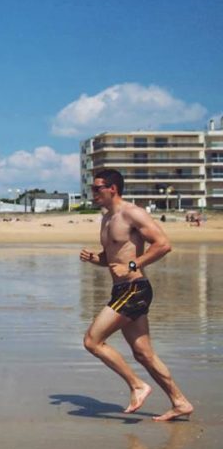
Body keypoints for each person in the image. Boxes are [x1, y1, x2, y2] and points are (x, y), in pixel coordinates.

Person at [79, 169, 193, 421]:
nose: (93, 193)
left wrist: (131, 266)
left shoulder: (132, 213)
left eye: (97, 188)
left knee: (92, 341)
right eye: (92, 189)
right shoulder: (107, 218)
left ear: (112, 188)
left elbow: (163, 244)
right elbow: (113, 259)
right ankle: (180, 401)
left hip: (134, 288)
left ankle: (137, 385)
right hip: (122, 289)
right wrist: (95, 259)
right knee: (143, 353)